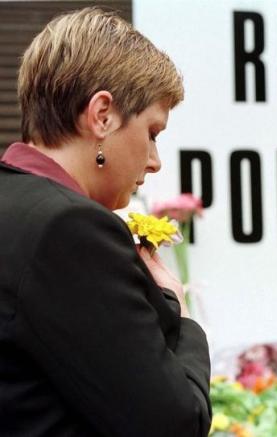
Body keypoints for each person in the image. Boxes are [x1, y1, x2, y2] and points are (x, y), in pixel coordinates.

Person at [0, 8, 211, 437]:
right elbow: (174, 424)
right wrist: (181, 313)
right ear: (102, 115)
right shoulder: (69, 228)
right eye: (152, 133)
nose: (154, 161)